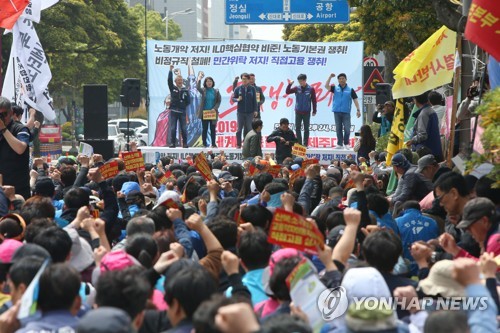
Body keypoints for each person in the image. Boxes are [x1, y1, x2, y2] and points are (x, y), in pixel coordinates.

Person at [0, 97, 31, 199]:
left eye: (3, 114)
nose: (1, 118)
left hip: (18, 189)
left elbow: (20, 149)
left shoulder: (20, 129)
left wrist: (3, 129)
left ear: (11, 112)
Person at [324, 73, 361, 149]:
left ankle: (346, 143)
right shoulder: (335, 88)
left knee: (347, 128)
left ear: (346, 79)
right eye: (340, 79)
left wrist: (358, 110)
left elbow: (355, 100)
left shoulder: (350, 89)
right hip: (337, 111)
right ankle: (339, 144)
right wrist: (330, 77)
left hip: (346, 112)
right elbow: (326, 86)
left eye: (343, 78)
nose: (341, 80)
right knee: (338, 128)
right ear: (338, 80)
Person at [406, 91, 443, 162]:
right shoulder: (429, 111)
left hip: (427, 152)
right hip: (433, 150)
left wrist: (412, 140)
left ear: (416, 100)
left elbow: (423, 135)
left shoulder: (424, 113)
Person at [285, 74, 318, 147]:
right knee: (297, 128)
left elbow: (314, 100)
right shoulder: (297, 88)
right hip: (298, 111)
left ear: (305, 80)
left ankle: (305, 144)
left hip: (306, 112)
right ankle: (299, 143)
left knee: (306, 129)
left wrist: (314, 110)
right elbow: (287, 92)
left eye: (301, 81)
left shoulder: (311, 89)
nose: (300, 83)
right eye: (299, 81)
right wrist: (290, 84)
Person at [168, 65, 191, 148]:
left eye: (181, 80)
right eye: (178, 80)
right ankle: (172, 143)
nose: (180, 81)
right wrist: (170, 70)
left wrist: (182, 105)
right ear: (175, 81)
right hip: (173, 111)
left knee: (184, 128)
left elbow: (188, 101)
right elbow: (169, 80)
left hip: (182, 112)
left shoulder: (185, 90)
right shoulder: (173, 88)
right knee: (173, 128)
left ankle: (185, 143)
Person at [233, 73, 258, 149]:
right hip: (240, 112)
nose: (244, 80)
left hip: (250, 112)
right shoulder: (238, 88)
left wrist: (255, 110)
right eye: (243, 79)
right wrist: (237, 99)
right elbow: (233, 98)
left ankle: (250, 144)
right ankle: (238, 144)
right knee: (239, 129)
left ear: (248, 80)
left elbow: (255, 100)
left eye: (246, 79)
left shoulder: (252, 88)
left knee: (250, 129)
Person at [196, 74, 221, 148]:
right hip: (205, 113)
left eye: (210, 81)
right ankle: (204, 143)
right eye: (207, 81)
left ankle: (213, 144)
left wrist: (215, 108)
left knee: (213, 129)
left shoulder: (216, 91)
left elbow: (218, 101)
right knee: (205, 129)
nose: (209, 82)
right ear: (205, 83)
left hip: (213, 112)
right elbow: (197, 87)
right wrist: (199, 79)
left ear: (213, 82)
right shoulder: (203, 90)